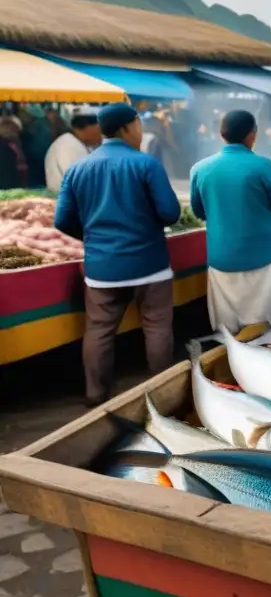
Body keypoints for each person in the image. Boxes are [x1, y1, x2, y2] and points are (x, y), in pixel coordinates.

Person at [54, 103, 181, 407]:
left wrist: (94, 239)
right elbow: (170, 212)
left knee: (98, 330)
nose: (141, 131)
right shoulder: (145, 164)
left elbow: (62, 220)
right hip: (149, 264)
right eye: (138, 124)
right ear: (128, 127)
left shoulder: (78, 167)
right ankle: (163, 395)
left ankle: (96, 396)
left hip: (102, 269)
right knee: (157, 326)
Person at [190, 111, 271, 333]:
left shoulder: (200, 169)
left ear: (221, 134)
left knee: (230, 331)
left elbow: (199, 211)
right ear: (252, 135)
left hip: (222, 260)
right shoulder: (262, 166)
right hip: (263, 259)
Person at [44, 111, 101, 191]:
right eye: (101, 130)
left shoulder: (77, 142)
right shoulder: (67, 144)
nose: (102, 136)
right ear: (87, 127)